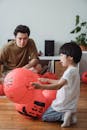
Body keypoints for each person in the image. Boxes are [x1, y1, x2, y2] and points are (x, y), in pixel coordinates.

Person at [32, 42, 82, 127]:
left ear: (70, 58)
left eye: (62, 55)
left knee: (45, 116)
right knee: (52, 110)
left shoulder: (69, 72)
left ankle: (64, 116)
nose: (60, 58)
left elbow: (58, 86)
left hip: (62, 104)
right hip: (71, 104)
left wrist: (40, 86)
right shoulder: (74, 70)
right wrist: (47, 79)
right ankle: (71, 115)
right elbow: (61, 82)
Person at [0, 25, 40, 95]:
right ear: (15, 38)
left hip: (24, 70)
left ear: (28, 37)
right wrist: (1, 78)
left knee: (38, 67)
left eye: (25, 39)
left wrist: (25, 67)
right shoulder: (7, 47)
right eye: (20, 39)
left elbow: (35, 59)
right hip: (10, 72)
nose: (22, 42)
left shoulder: (30, 42)